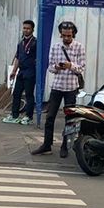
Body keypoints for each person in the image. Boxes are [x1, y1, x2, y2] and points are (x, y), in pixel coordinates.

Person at [32, 20, 85, 156]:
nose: (66, 38)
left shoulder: (79, 47)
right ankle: (47, 145)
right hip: (57, 86)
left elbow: (82, 68)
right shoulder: (55, 47)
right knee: (50, 117)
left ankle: (65, 146)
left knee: (69, 119)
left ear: (73, 34)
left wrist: (70, 66)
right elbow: (50, 67)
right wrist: (57, 67)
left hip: (71, 88)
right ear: (60, 35)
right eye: (64, 36)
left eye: (69, 36)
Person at [3, 19, 38, 124]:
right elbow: (18, 58)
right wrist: (14, 71)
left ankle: (29, 117)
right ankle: (14, 115)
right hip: (21, 72)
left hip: (30, 72)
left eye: (28, 28)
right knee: (16, 93)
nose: (26, 30)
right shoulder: (21, 43)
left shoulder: (35, 43)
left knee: (29, 95)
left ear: (32, 29)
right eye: (24, 28)